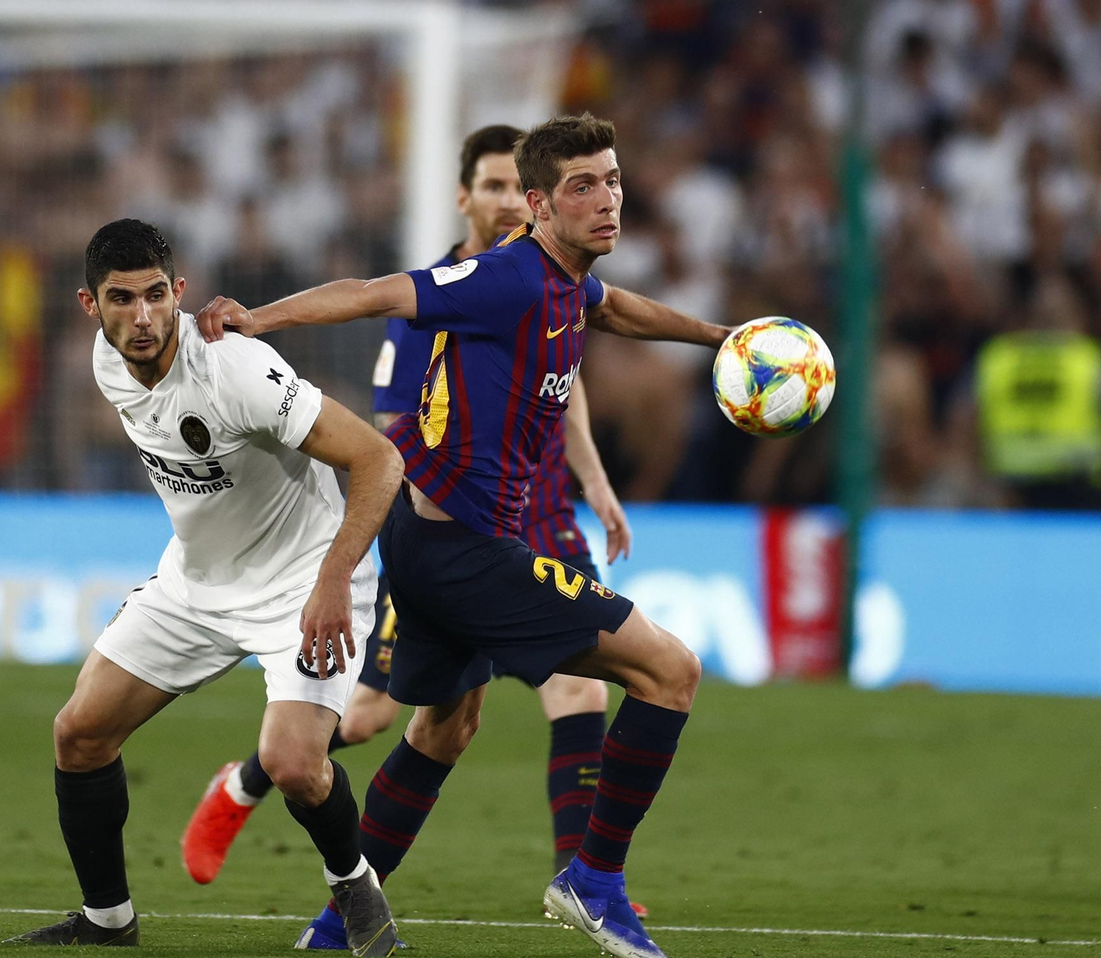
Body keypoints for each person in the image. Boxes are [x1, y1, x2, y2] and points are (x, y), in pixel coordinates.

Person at [198, 114, 729, 958]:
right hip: (467, 556)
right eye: (583, 186)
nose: (607, 200)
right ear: (538, 206)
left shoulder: (570, 282)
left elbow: (616, 307)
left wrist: (719, 339)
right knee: (670, 672)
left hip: (431, 538)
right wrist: (257, 321)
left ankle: (336, 931)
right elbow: (378, 292)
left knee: (441, 729)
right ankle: (592, 880)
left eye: (614, 179)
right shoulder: (504, 279)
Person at [4, 220, 404, 955]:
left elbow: (378, 459)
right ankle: (107, 924)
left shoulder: (237, 371)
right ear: (90, 306)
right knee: (79, 734)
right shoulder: (105, 361)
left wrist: (334, 575)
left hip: (302, 582)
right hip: (196, 581)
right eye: (122, 300)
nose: (144, 316)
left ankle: (355, 884)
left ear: (179, 292)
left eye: (157, 295)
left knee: (293, 767)